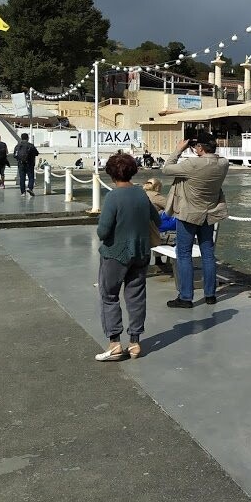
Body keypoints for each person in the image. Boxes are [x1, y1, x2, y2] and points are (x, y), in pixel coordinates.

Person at [94, 153, 160, 361]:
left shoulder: (113, 196)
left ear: (112, 174)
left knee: (109, 295)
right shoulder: (141, 194)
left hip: (116, 253)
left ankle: (114, 343)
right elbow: (156, 219)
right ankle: (135, 342)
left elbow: (103, 232)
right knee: (136, 296)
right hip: (141, 252)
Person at [161, 135, 229, 308]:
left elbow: (166, 168)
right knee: (208, 254)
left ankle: (185, 297)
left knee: (183, 254)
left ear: (200, 148)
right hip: (209, 214)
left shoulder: (192, 165)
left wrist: (179, 149)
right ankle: (210, 294)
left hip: (188, 214)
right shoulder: (223, 164)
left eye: (195, 147)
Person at [13, 132, 39, 197]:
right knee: (31, 177)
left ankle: (22, 192)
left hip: (21, 164)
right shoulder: (30, 145)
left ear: (21, 138)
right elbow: (36, 153)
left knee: (22, 178)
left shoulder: (17, 146)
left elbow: (15, 155)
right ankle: (30, 188)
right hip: (30, 164)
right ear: (28, 138)